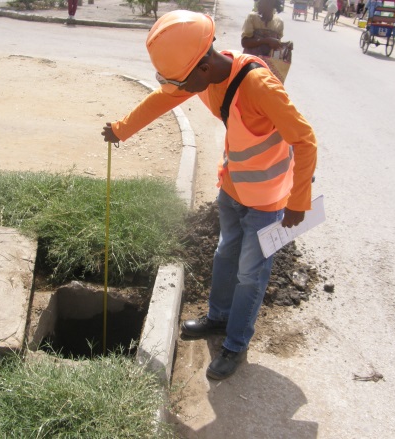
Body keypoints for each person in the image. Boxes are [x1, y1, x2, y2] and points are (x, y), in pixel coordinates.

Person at [101, 10, 317, 380]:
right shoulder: (203, 74)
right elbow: (161, 100)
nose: (180, 89)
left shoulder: (259, 85)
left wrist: (298, 202)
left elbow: (304, 138)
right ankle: (218, 317)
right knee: (224, 254)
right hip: (232, 188)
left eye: (183, 81)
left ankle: (235, 343)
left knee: (251, 274)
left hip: (267, 201)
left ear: (202, 66)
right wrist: (122, 130)